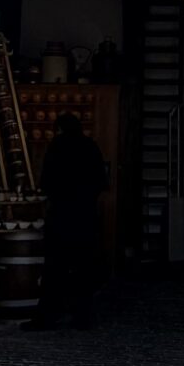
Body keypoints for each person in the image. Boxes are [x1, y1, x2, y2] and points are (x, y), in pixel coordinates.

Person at [30, 113, 108, 331]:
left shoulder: (57, 146)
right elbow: (100, 181)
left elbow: (47, 182)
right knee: (84, 267)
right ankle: (82, 316)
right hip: (85, 216)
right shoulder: (90, 146)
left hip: (61, 215)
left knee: (55, 268)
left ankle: (48, 315)